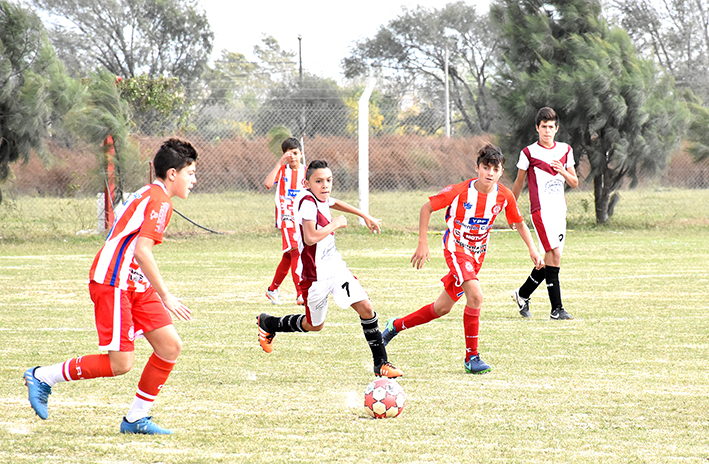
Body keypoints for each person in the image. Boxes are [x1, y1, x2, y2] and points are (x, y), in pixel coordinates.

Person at [23, 138, 198, 435]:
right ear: (172, 174)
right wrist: (167, 295)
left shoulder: (151, 193)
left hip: (134, 283)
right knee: (121, 364)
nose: (193, 180)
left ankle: (135, 419)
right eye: (190, 173)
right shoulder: (161, 202)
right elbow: (142, 252)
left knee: (170, 346)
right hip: (114, 281)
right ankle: (43, 377)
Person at [381, 144, 543, 374]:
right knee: (476, 296)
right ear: (477, 168)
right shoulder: (459, 191)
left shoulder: (504, 196)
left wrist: (533, 250)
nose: (490, 173)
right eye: (485, 167)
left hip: (476, 256)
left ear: (500, 172)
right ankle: (472, 358)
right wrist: (422, 243)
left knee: (442, 308)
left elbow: (518, 222)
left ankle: (394, 326)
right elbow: (426, 208)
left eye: (495, 169)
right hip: (456, 250)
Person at [257, 160, 403, 379]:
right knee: (314, 325)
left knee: (365, 307)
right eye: (319, 181)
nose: (325, 185)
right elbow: (310, 237)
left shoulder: (320, 196)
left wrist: (365, 216)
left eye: (328, 180)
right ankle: (269, 323)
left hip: (335, 268)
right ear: (307, 184)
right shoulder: (306, 202)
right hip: (314, 276)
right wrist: (335, 224)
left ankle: (381, 363)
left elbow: (336, 203)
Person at [510, 107, 578, 320]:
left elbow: (574, 182)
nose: (547, 131)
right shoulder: (529, 152)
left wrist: (563, 170)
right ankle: (556, 309)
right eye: (543, 127)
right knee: (554, 255)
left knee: (551, 259)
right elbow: (519, 182)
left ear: (556, 129)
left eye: (551, 127)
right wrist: (511, 209)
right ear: (537, 128)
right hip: (541, 211)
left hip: (560, 211)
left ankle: (522, 294)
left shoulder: (566, 149)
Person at [263, 137, 306, 306]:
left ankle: (272, 289)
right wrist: (279, 164)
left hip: (301, 219)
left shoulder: (307, 171)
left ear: (301, 154)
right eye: (289, 154)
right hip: (286, 217)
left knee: (289, 256)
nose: (293, 157)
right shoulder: (282, 170)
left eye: (295, 153)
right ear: (284, 156)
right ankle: (301, 294)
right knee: (296, 251)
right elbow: (267, 184)